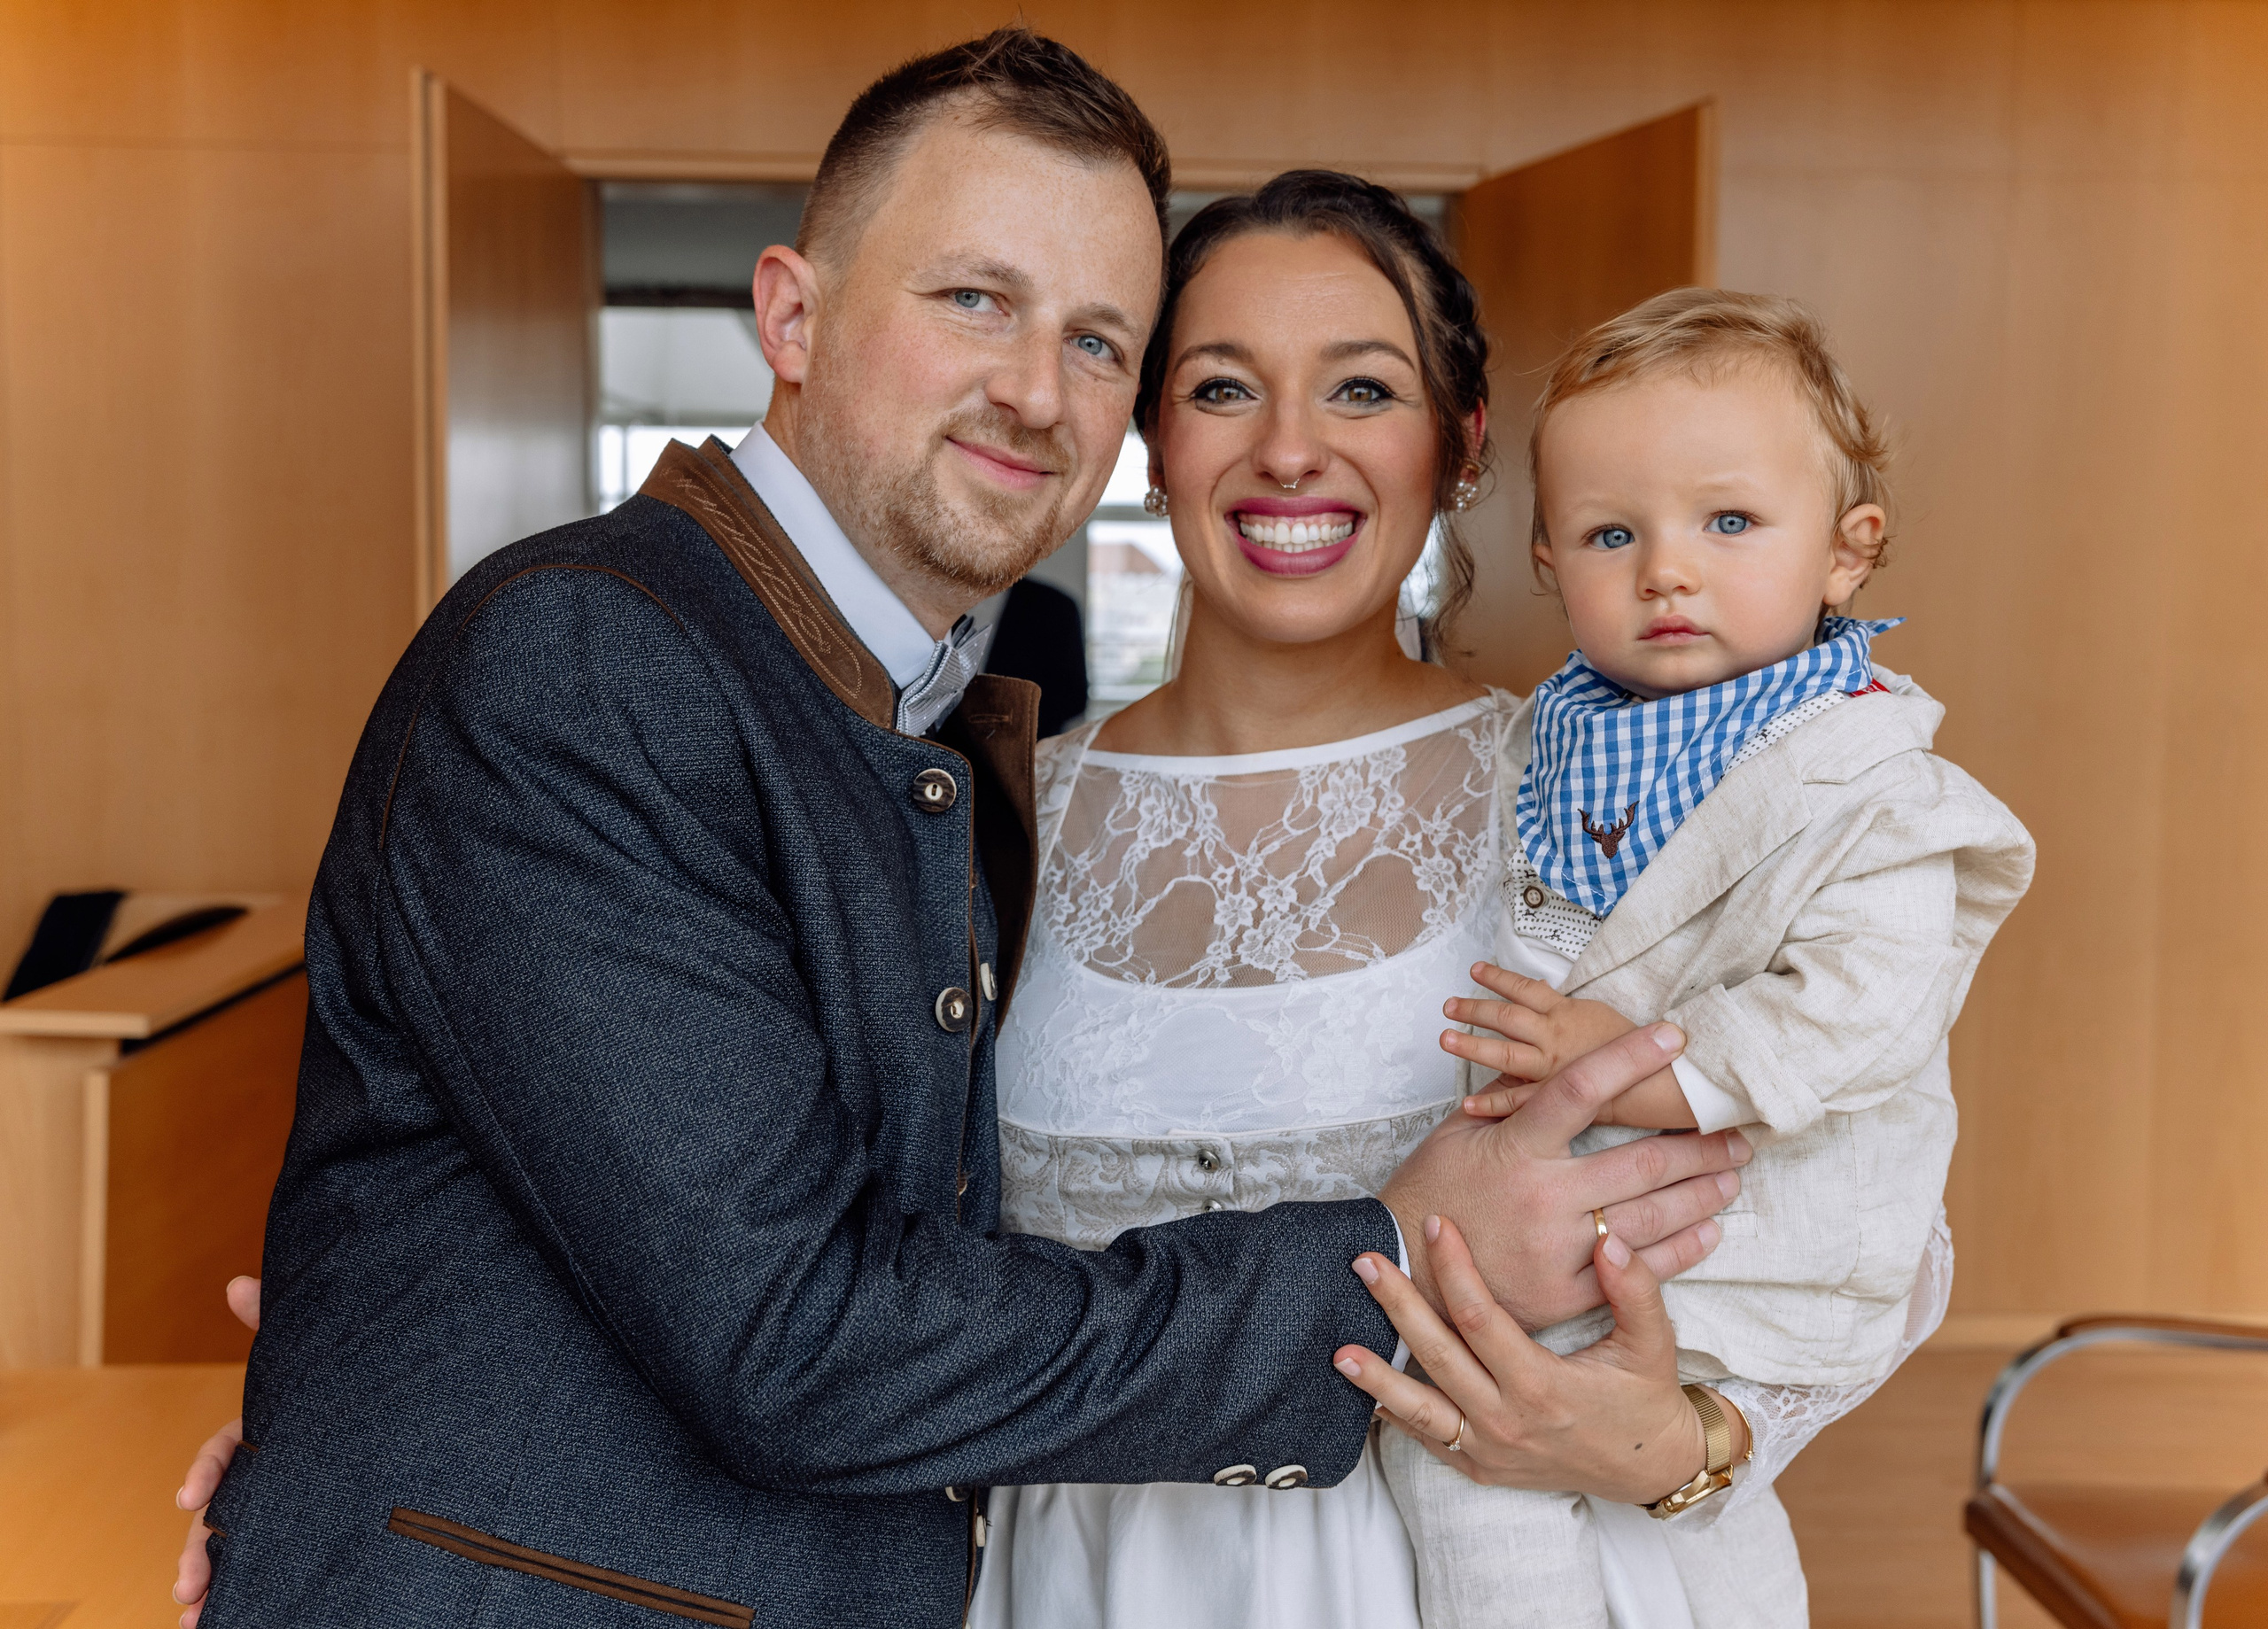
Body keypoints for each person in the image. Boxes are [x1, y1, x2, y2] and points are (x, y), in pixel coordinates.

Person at [171, 33, 1749, 1629]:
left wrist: (1691, 1437)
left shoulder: (938, 744)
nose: (1029, 388)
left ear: (1462, 444)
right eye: (974, 300)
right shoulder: (594, 662)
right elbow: (799, 1329)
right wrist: (1393, 1257)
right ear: (791, 314)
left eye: (1093, 339)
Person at [1344, 291, 2034, 1626]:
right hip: (1579, 1229)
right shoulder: (1554, 740)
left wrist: (1616, 1066)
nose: (1668, 568)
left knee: (1477, 1462)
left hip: (1750, 1218)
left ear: (1849, 551)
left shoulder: (1873, 786)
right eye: (1613, 532)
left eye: (1728, 523)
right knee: (1632, 1499)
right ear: (1547, 559)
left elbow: (1853, 1019)